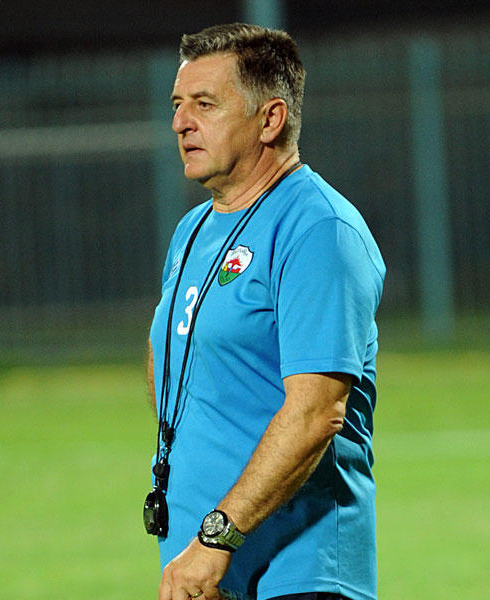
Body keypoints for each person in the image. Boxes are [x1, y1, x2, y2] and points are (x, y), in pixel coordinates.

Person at [145, 23, 386, 600]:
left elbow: (316, 413)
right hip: (204, 566)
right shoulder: (193, 230)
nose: (181, 122)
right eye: (177, 104)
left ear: (270, 119)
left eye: (205, 104)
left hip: (297, 571)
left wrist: (217, 537)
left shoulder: (318, 229)